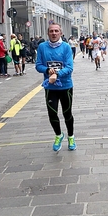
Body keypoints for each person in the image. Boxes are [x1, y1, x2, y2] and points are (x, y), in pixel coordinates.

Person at [35, 22, 76, 151]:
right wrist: (47, 71)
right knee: (52, 114)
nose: (54, 33)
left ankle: (71, 136)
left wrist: (57, 73)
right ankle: (58, 135)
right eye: (51, 31)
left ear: (61, 33)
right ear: (48, 33)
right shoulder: (42, 47)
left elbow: (69, 67)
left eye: (56, 31)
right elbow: (38, 65)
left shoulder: (66, 47)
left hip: (65, 87)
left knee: (67, 113)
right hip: (50, 88)